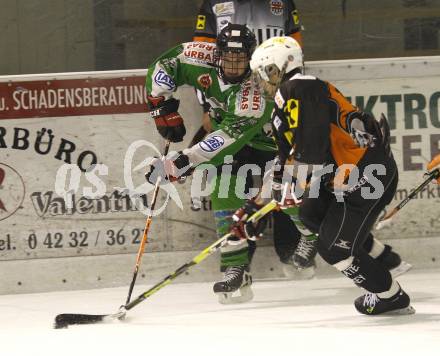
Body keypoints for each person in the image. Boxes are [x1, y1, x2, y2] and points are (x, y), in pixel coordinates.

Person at [145, 24, 318, 304]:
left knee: (285, 193)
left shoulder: (253, 94)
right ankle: (235, 267)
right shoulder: (200, 55)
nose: (234, 65)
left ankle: (308, 235)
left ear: (251, 58)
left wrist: (179, 164)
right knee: (224, 189)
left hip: (271, 144)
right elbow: (164, 65)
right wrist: (160, 105)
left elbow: (225, 140)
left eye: (241, 60)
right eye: (229, 58)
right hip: (231, 138)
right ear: (217, 54)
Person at [247, 36, 415, 315]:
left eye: (263, 73)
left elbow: (311, 151)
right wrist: (255, 207)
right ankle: (380, 255)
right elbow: (285, 159)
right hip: (346, 178)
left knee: (334, 250)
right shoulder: (288, 96)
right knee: (311, 214)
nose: (261, 82)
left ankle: (391, 296)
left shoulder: (300, 87)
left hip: (366, 175)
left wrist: (291, 187)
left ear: (279, 67)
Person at [191, 0, 317, 275]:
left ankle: (291, 252)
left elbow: (295, 55)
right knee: (231, 181)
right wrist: (208, 106)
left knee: (283, 177)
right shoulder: (213, 4)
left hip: (274, 103)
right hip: (232, 107)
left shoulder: (282, 3)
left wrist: (290, 100)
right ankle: (238, 265)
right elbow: (202, 59)